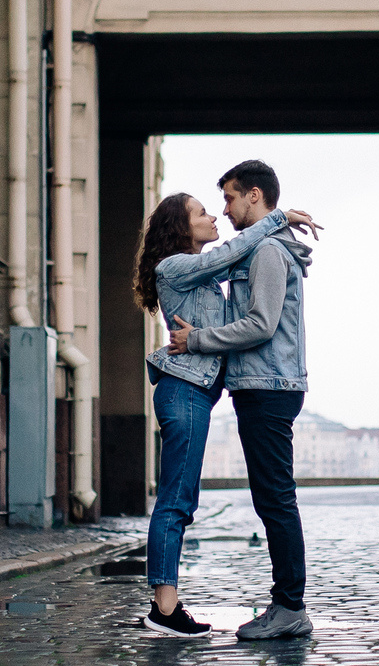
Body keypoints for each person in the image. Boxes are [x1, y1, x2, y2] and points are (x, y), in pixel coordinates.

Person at [132, 191, 320, 637]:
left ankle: (169, 605)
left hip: (199, 395)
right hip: (184, 393)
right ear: (180, 228)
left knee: (183, 500)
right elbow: (236, 252)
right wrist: (278, 217)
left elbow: (253, 265)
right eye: (202, 212)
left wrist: (286, 243)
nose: (214, 215)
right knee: (176, 500)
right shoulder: (174, 267)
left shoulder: (204, 275)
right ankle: (164, 609)